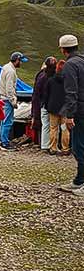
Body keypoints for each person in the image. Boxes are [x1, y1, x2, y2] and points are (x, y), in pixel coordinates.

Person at [58, 34, 84, 195]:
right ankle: (79, 180)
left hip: (80, 112)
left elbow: (71, 92)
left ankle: (81, 181)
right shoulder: (82, 61)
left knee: (79, 147)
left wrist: (69, 115)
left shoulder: (70, 65)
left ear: (63, 49)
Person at [0, 51, 28, 149]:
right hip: (7, 99)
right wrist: (13, 101)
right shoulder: (11, 71)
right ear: (17, 60)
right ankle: (5, 143)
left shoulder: (6, 67)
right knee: (8, 121)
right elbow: (9, 88)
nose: (21, 63)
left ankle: (2, 140)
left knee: (3, 121)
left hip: (2, 98)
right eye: (21, 61)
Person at [43, 60, 71, 155]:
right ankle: (65, 148)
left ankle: (53, 148)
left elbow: (46, 94)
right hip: (65, 108)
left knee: (53, 128)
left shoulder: (50, 80)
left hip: (53, 108)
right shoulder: (68, 81)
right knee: (64, 128)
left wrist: (46, 106)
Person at [32, 57, 57, 152]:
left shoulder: (41, 77)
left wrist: (34, 112)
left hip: (44, 104)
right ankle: (54, 145)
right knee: (54, 126)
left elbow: (36, 94)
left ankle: (45, 145)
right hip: (54, 104)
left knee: (46, 125)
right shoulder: (56, 76)